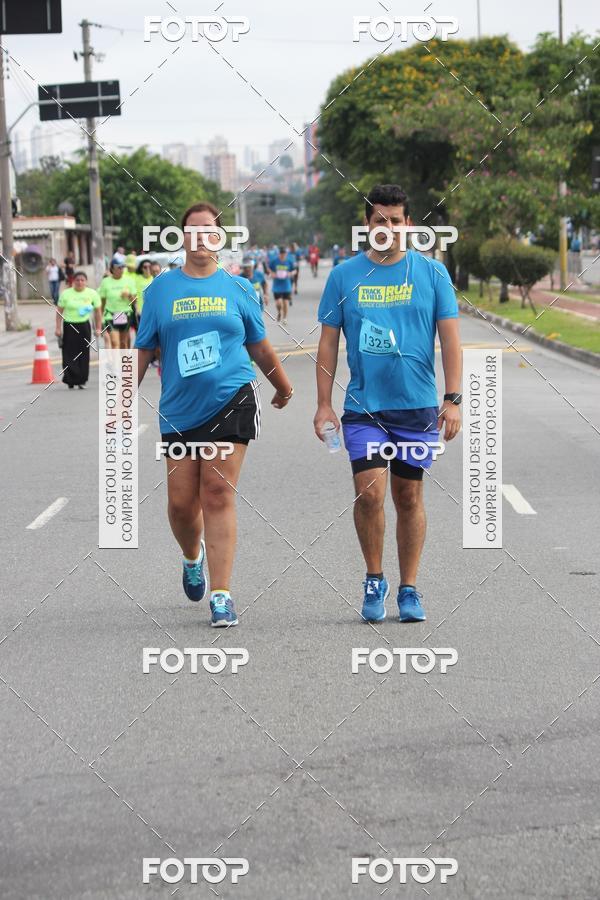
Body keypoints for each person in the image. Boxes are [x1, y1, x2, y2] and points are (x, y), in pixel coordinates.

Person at [135, 201, 294, 628]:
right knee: (182, 505)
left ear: (220, 239)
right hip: (179, 411)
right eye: (193, 230)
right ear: (181, 238)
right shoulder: (159, 291)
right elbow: (144, 351)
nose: (201, 238)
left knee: (217, 494)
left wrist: (282, 386)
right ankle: (193, 557)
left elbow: (259, 345)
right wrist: (119, 400)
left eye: (210, 230)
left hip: (232, 399)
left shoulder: (240, 288)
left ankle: (221, 594)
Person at [314, 183, 462, 624]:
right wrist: (323, 404)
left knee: (409, 496)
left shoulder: (433, 275)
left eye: (396, 220)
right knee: (370, 492)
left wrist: (452, 399)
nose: (388, 227)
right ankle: (374, 578)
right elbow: (326, 345)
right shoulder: (343, 277)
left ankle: (410, 589)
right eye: (380, 219)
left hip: (416, 408)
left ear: (409, 225)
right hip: (364, 408)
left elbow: (451, 341)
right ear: (367, 225)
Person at [55, 271, 102, 389]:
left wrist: (98, 328)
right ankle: (70, 379)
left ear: (86, 282)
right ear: (73, 281)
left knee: (83, 354)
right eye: (77, 280)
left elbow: (98, 312)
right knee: (68, 353)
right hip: (69, 326)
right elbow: (59, 312)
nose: (80, 282)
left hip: (84, 326)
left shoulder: (92, 293)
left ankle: (81, 380)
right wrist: (57, 328)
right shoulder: (66, 294)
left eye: (82, 280)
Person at [99, 260, 136, 350]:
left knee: (123, 343)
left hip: (125, 313)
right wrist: (100, 319)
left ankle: (124, 363)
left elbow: (134, 301)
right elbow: (102, 302)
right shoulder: (105, 282)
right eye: (119, 267)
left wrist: (129, 296)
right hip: (110, 314)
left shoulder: (129, 281)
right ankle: (116, 364)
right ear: (112, 269)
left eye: (122, 267)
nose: (121, 269)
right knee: (115, 342)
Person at [269, 246, 296, 326]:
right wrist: (272, 273)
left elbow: (294, 270)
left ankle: (284, 318)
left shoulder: (289, 261)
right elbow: (269, 269)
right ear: (279, 254)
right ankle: (279, 312)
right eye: (281, 253)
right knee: (278, 303)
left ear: (286, 254)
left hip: (286, 285)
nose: (282, 255)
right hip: (277, 285)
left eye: (284, 253)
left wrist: (290, 273)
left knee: (285, 302)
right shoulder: (274, 261)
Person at [135, 258, 154, 327]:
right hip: (141, 312)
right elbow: (135, 295)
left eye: (149, 267)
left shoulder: (155, 278)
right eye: (145, 267)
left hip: (154, 312)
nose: (148, 269)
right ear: (141, 269)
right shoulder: (137, 279)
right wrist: (136, 308)